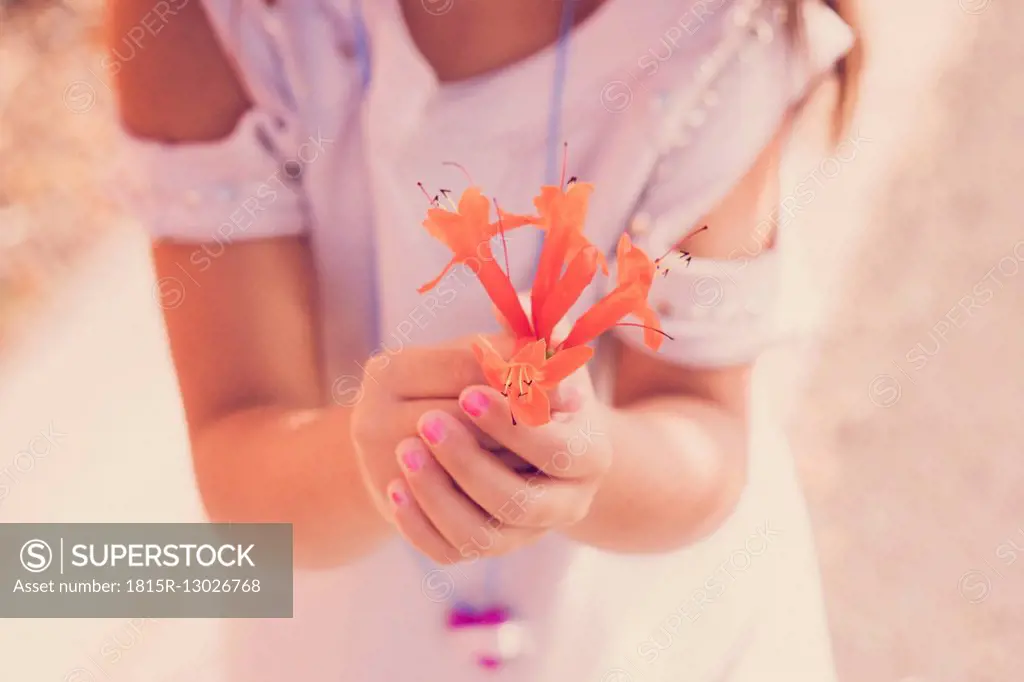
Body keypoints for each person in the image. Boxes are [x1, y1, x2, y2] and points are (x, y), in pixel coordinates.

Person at [107, 0, 861, 679]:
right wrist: (381, 462)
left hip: (654, 625)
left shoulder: (720, 30)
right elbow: (243, 475)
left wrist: (586, 458)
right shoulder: (205, 22)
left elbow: (703, 431)